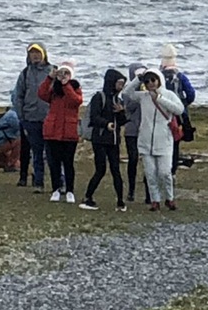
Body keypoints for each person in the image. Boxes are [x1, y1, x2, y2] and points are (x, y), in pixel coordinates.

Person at [133, 68, 185, 211]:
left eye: (153, 80)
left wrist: (160, 99)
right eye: (147, 81)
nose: (150, 83)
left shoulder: (169, 95)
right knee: (150, 174)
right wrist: (137, 79)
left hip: (164, 141)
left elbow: (179, 109)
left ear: (159, 80)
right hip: (145, 142)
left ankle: (170, 197)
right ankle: (155, 200)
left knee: (165, 172)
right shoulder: (143, 96)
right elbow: (127, 93)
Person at [38, 61, 84, 204]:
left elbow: (76, 101)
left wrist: (66, 84)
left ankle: (70, 191)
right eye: (62, 73)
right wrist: (50, 78)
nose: (63, 75)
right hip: (52, 131)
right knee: (54, 163)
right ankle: (55, 190)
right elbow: (41, 94)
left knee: (68, 163)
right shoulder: (53, 90)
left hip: (69, 132)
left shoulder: (75, 88)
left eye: (67, 73)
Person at [82, 67, 128, 211]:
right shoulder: (99, 97)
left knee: (116, 170)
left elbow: (122, 121)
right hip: (100, 140)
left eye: (122, 84)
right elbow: (94, 117)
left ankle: (120, 202)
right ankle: (88, 197)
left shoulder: (118, 100)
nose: (121, 87)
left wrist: (121, 112)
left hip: (114, 141)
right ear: (111, 82)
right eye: (119, 83)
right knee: (100, 170)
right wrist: (106, 124)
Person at [11, 43, 53, 191]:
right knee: (36, 152)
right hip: (30, 118)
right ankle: (38, 182)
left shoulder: (52, 72)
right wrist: (22, 116)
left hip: (49, 119)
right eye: (32, 53)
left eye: (37, 53)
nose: (35, 56)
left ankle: (58, 183)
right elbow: (18, 96)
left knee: (51, 153)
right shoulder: (25, 73)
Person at [160, 44, 198, 166]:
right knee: (175, 143)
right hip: (178, 116)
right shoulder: (180, 77)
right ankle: (173, 170)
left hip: (161, 113)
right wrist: (184, 104)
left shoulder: (158, 76)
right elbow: (191, 93)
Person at [121, 61, 146, 202]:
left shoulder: (150, 90)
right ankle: (131, 190)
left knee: (148, 159)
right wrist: (141, 94)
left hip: (146, 129)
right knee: (133, 159)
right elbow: (128, 107)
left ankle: (148, 192)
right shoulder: (128, 91)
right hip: (131, 130)